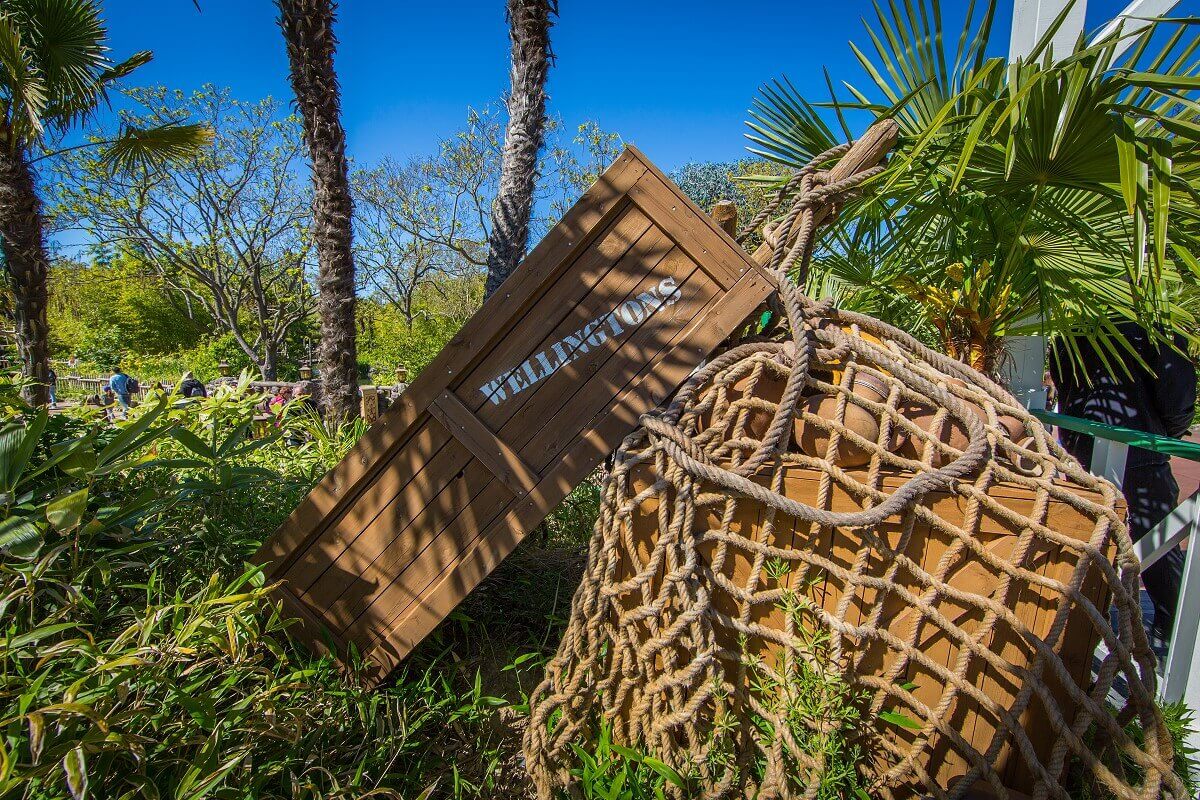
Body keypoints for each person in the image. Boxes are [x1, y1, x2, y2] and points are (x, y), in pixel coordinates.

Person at [1050, 323, 1197, 640]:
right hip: (1138, 445)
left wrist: (1075, 435)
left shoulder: (1077, 313)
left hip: (1087, 441)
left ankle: (1083, 628)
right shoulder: (1155, 316)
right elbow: (1177, 390)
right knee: (1157, 539)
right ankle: (1170, 637)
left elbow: (1063, 377)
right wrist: (1161, 433)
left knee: (1091, 535)